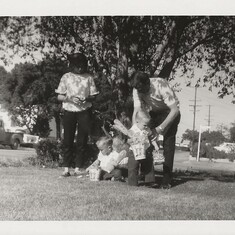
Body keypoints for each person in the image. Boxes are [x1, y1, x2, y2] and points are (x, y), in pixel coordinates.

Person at [131, 71, 181, 189]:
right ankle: (146, 175)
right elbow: (137, 111)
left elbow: (175, 110)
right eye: (139, 90)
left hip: (170, 113)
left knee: (168, 144)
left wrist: (160, 129)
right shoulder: (136, 89)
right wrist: (135, 130)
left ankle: (166, 179)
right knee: (145, 142)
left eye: (143, 89)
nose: (141, 92)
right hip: (155, 112)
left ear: (148, 83)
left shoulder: (161, 85)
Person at [55, 52, 99, 177]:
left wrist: (87, 98)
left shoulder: (89, 78)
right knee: (67, 140)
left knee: (82, 140)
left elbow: (94, 96)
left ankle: (78, 167)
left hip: (84, 111)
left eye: (82, 65)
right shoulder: (66, 77)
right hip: (69, 110)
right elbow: (59, 96)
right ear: (72, 65)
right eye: (77, 65)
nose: (80, 68)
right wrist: (70, 98)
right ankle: (66, 168)